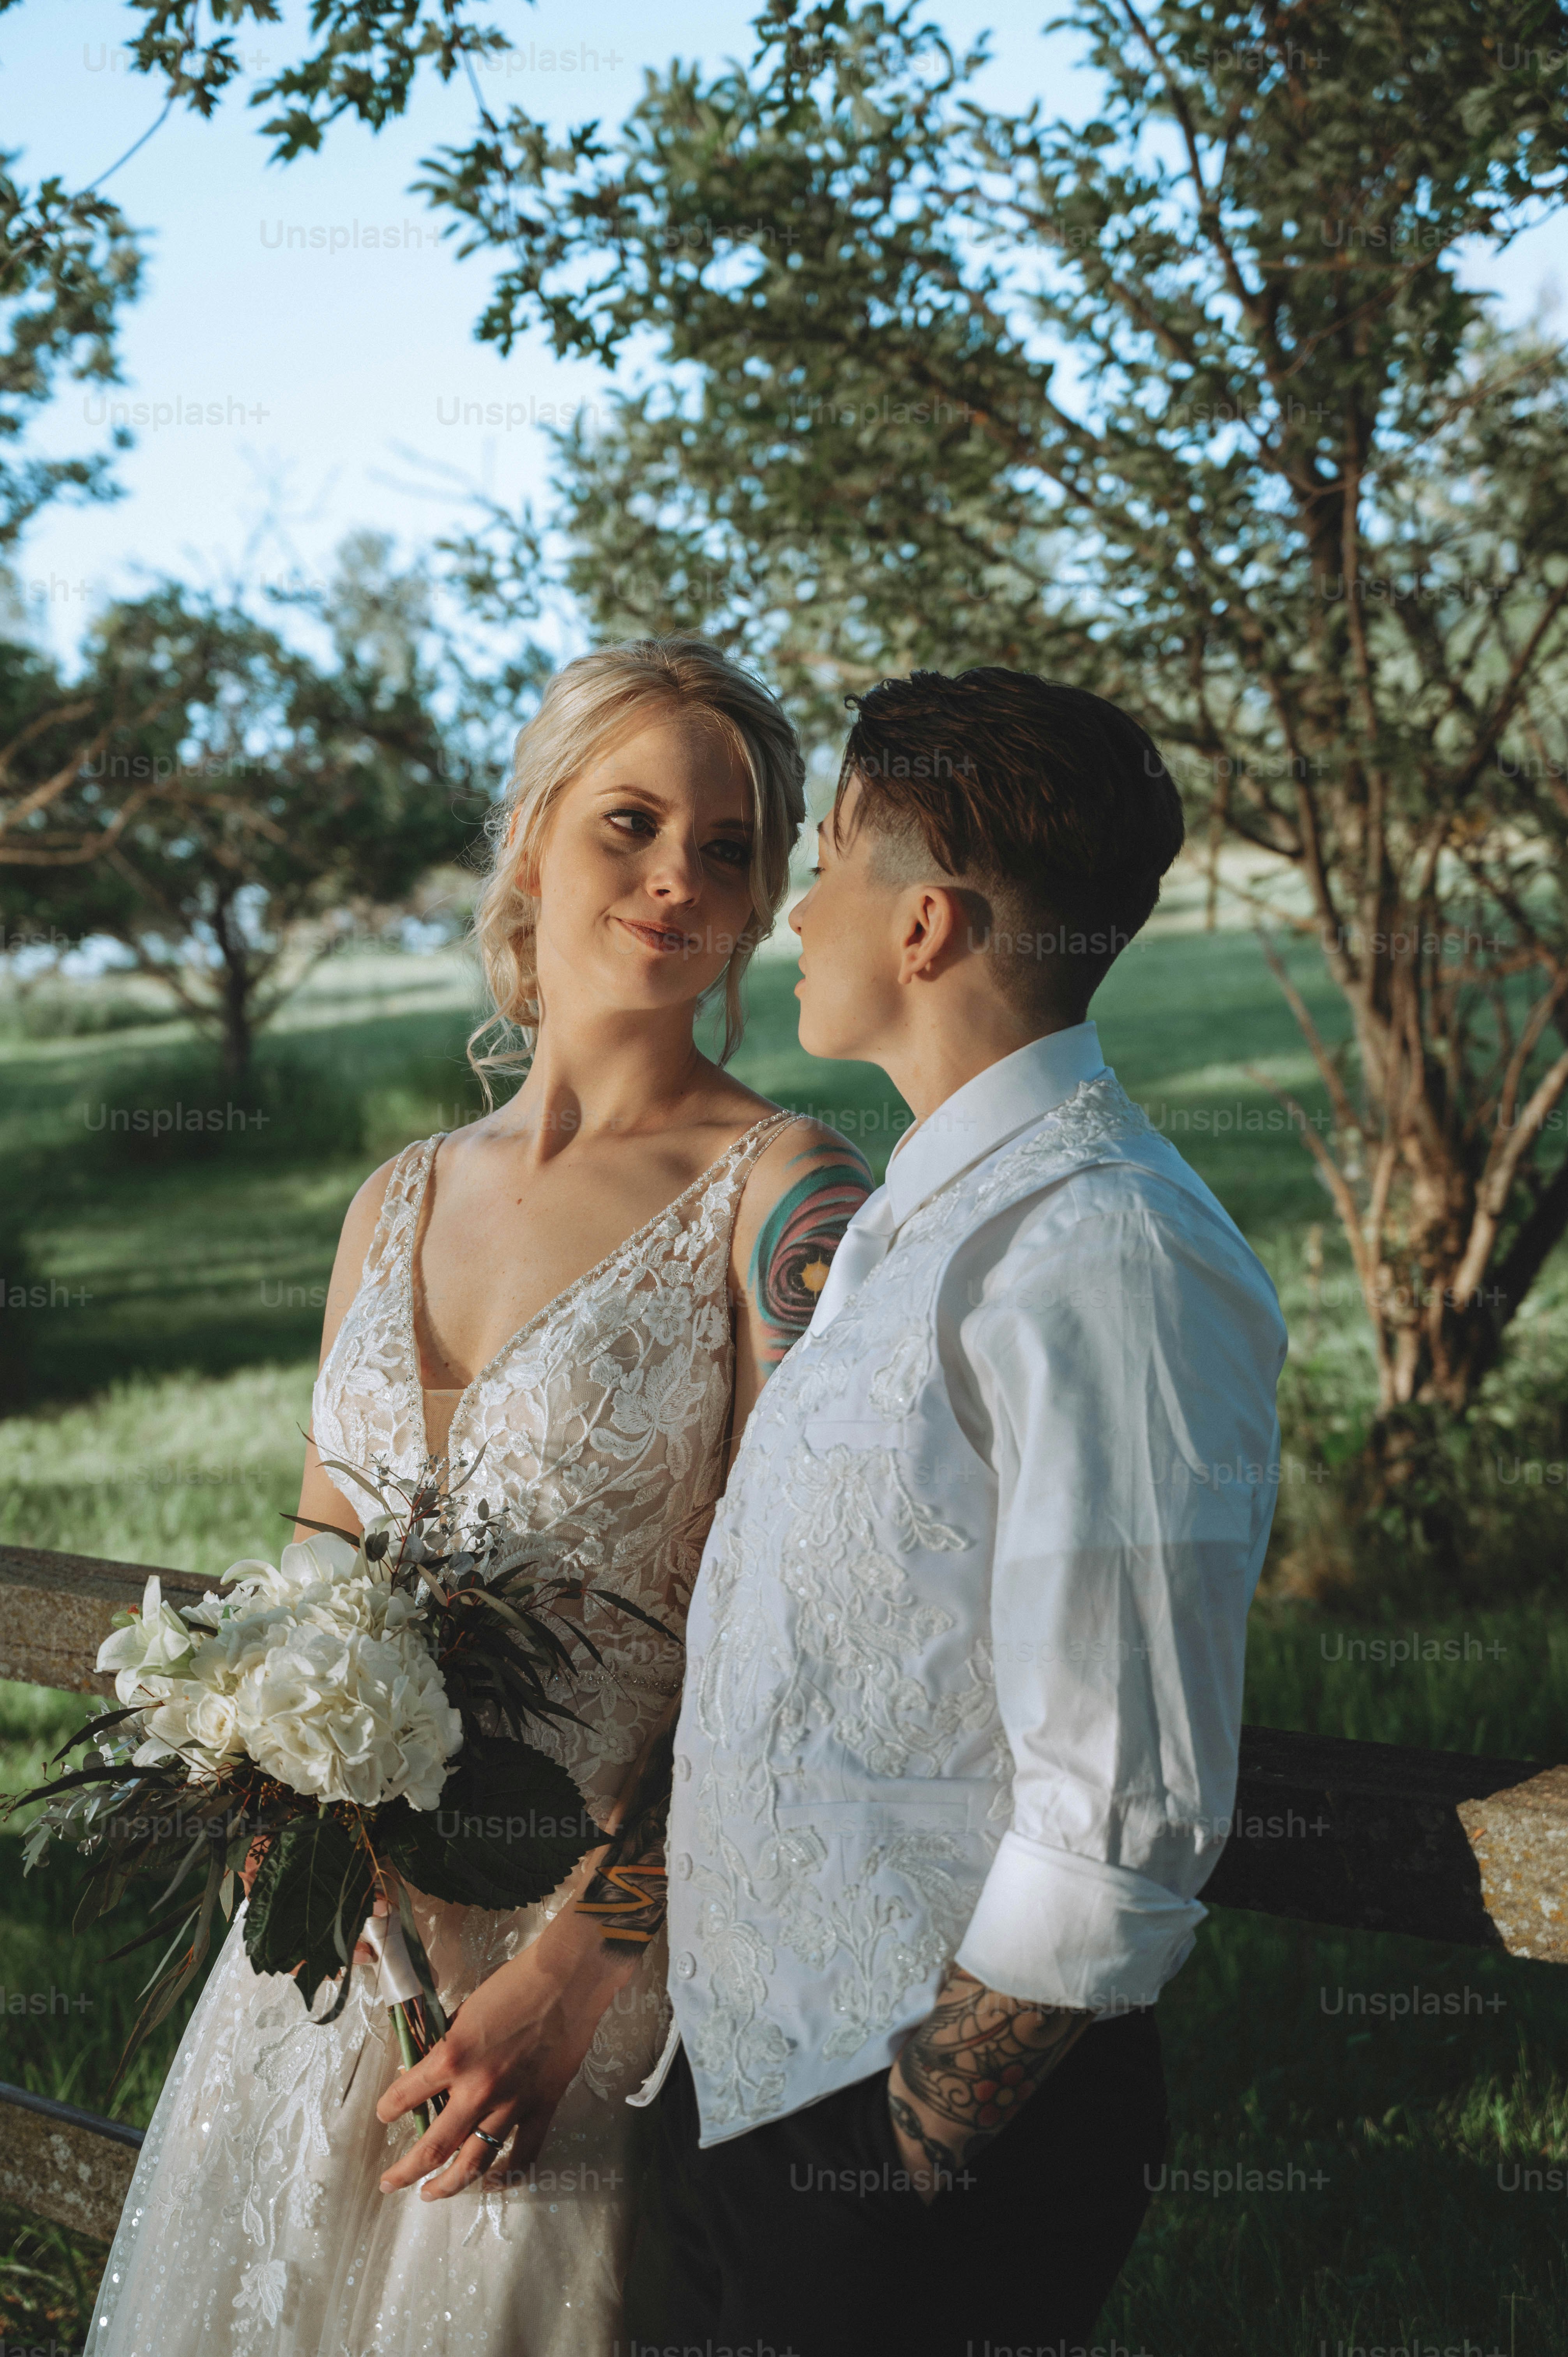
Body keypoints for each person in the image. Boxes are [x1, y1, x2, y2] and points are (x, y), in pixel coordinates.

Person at [89, 638, 870, 2357]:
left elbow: (801, 1652)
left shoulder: (788, 1200)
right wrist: (269, 1809)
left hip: (592, 1984)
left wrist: (573, 1982)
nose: (679, 877)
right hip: (330, 1946)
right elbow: (318, 1565)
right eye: (631, 821)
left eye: (730, 847)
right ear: (531, 842)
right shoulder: (390, 1198)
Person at [624, 666, 1289, 2357]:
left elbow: (1126, 1794)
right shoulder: (918, 1213)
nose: (785, 905)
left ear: (922, 927)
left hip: (921, 2145)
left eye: (828, 855)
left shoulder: (1103, 1251)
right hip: (751, 2093)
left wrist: (909, 2139)